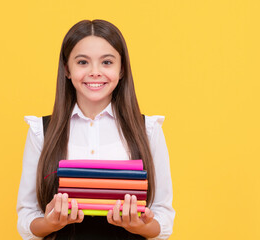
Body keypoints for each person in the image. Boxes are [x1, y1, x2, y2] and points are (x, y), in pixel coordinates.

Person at [16, 19, 175, 240]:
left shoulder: (148, 130)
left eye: (107, 62)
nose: (95, 72)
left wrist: (139, 226)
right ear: (66, 69)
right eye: (82, 62)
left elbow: (163, 218)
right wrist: (49, 222)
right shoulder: (41, 131)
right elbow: (27, 218)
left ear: (121, 70)